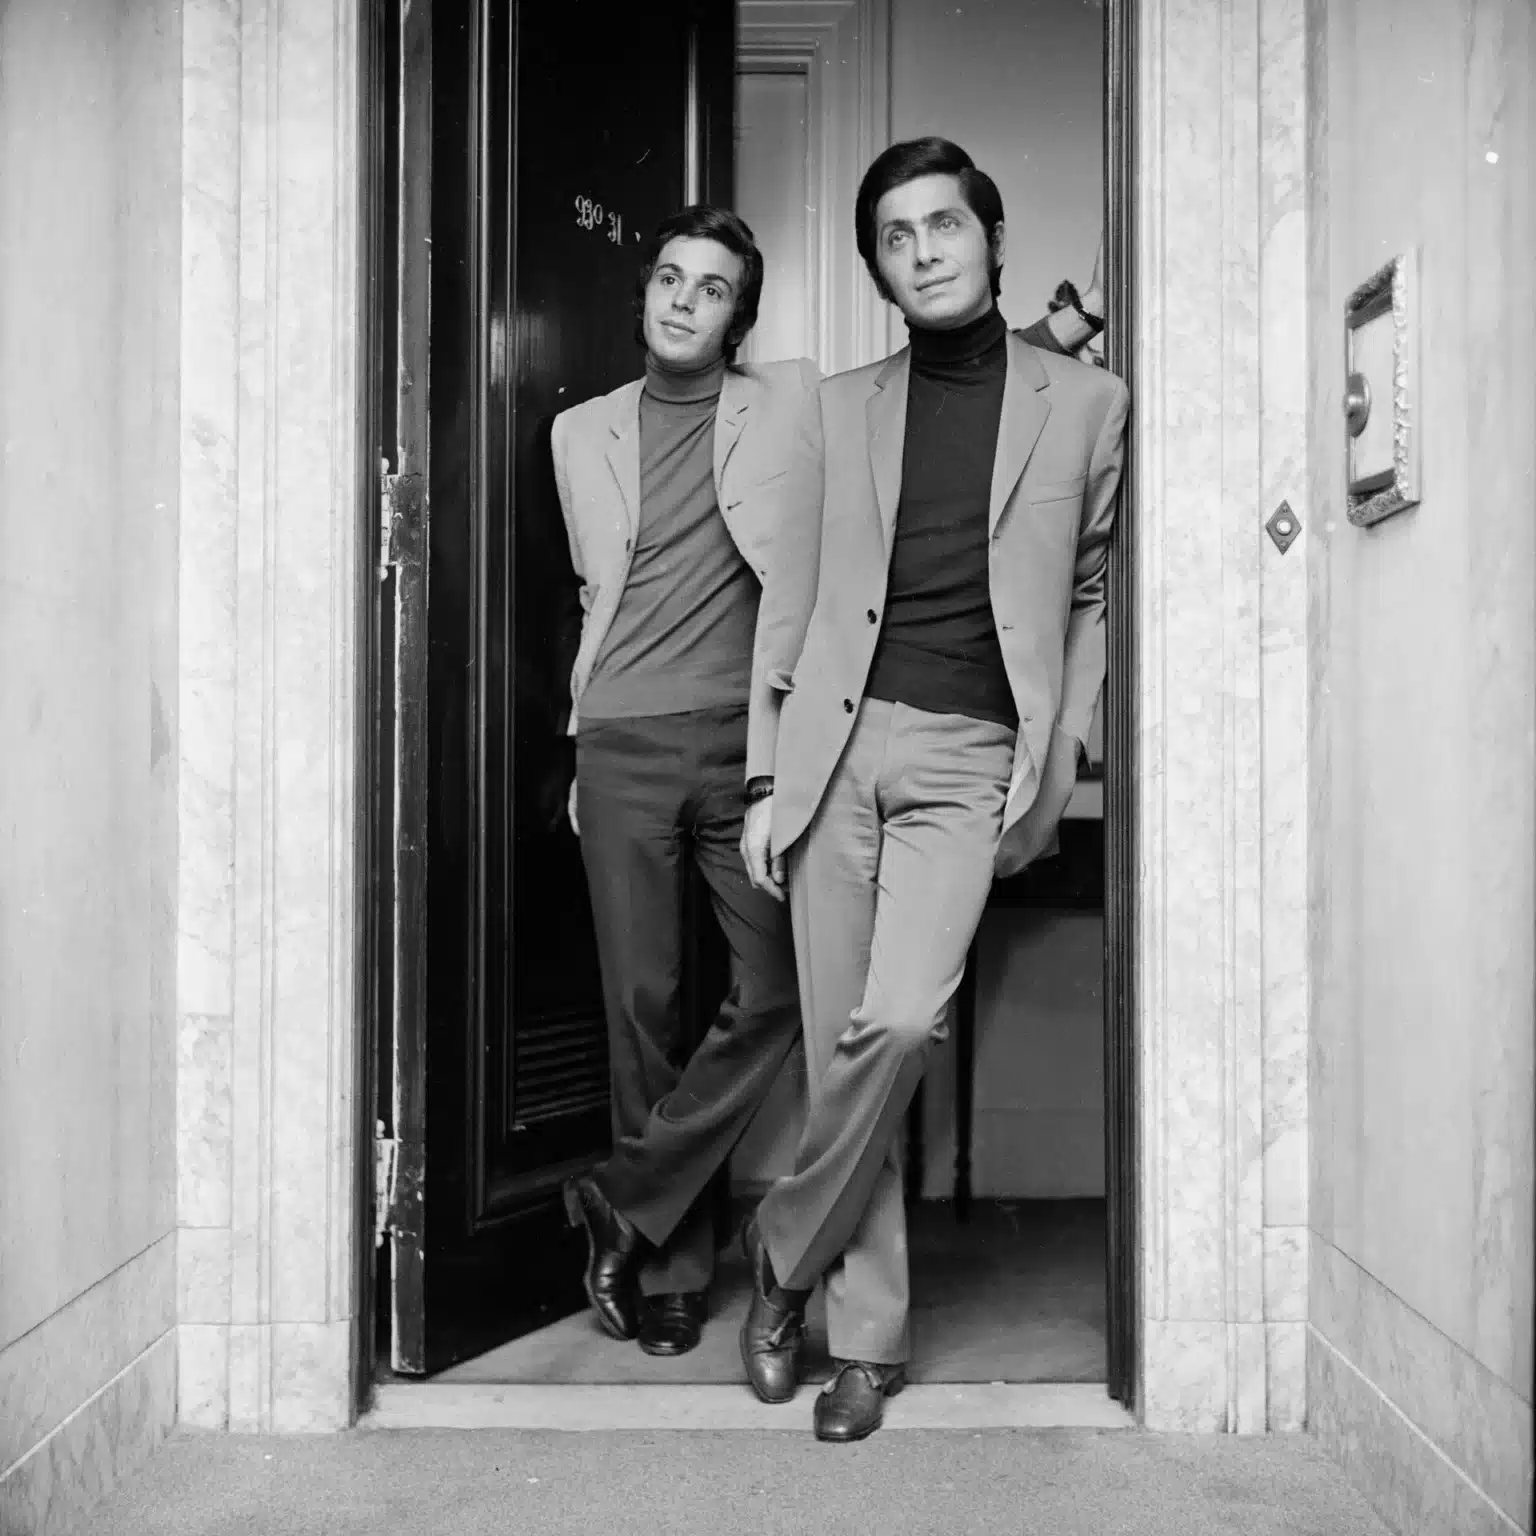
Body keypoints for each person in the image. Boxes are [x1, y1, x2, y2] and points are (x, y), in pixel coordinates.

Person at [549, 201, 1101, 1362]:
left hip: (760, 742)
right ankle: (672, 1269)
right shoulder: (576, 433)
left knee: (782, 997)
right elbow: (598, 596)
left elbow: (962, 379)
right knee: (641, 1009)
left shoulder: (799, 398)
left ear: (741, 318)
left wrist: (1072, 322)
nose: (683, 301)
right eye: (669, 278)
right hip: (623, 739)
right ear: (643, 292)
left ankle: (628, 1199)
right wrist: (579, 744)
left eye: (711, 288)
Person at [736, 137, 1129, 1441]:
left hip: (969, 755)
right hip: (832, 748)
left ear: (992, 239)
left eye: (944, 225)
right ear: (879, 272)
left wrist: (1060, 747)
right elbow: (789, 600)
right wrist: (763, 774)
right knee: (840, 1043)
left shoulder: (1087, 402)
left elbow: (1090, 592)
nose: (925, 252)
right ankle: (866, 1343)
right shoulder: (838, 406)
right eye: (896, 238)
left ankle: (779, 1253)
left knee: (899, 1026)